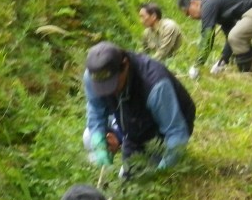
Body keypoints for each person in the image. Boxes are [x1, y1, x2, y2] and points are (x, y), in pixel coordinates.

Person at [83, 41, 195, 171]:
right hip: (132, 122)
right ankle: (125, 141)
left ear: (125, 65)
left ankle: (154, 156)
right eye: (102, 87)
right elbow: (96, 107)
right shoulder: (93, 76)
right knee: (89, 137)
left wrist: (163, 171)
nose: (109, 92)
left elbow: (176, 132)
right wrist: (99, 139)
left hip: (165, 127)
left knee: (146, 176)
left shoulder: (155, 85)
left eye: (112, 85)